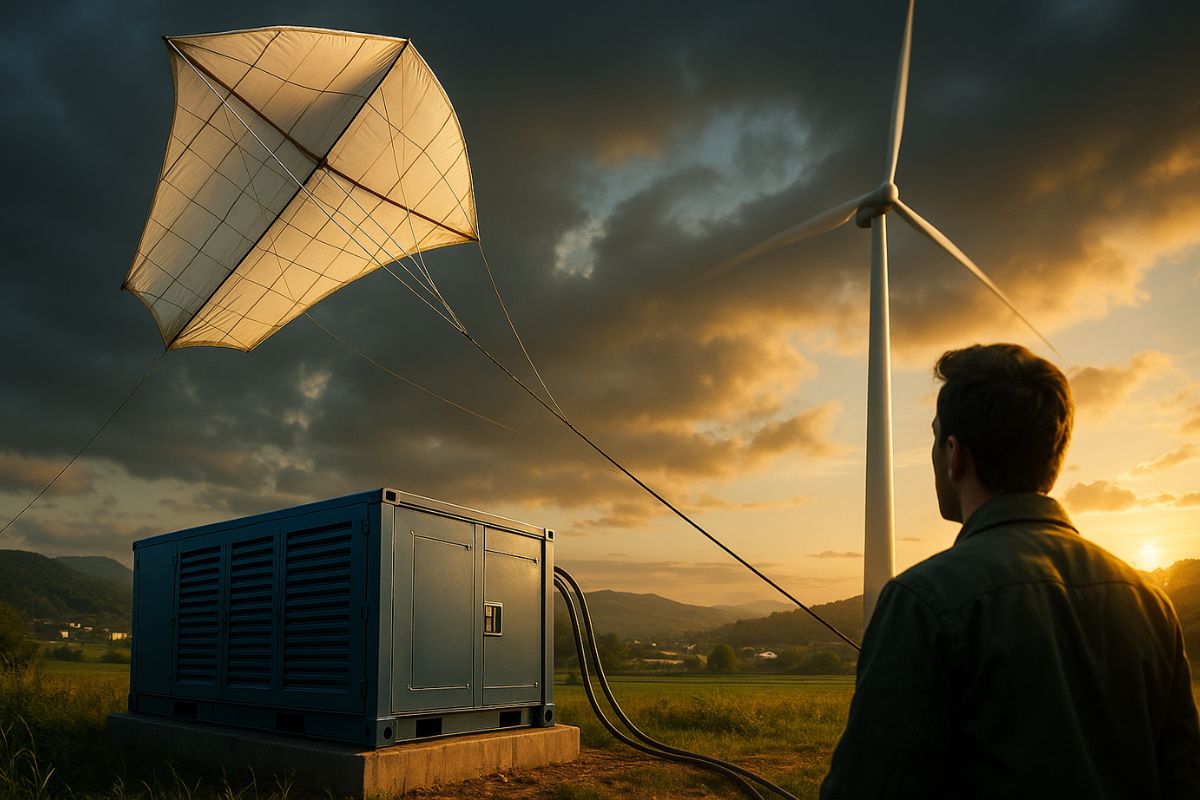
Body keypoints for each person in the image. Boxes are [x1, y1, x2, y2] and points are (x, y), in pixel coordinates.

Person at [820, 343, 1200, 798]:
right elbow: (1183, 778)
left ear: (954, 454)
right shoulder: (1150, 603)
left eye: (936, 437)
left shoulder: (923, 601)